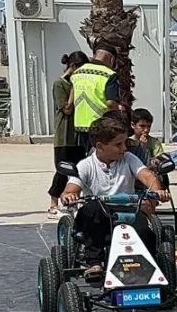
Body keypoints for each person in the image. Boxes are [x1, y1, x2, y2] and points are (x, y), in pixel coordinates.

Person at [60, 115, 170, 276]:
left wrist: (157, 189)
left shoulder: (128, 159)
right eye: (118, 144)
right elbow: (72, 187)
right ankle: (95, 263)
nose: (124, 148)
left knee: (143, 228)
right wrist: (69, 195)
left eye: (125, 142)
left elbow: (146, 175)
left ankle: (146, 266)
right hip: (99, 217)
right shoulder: (86, 165)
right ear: (100, 146)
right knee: (92, 208)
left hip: (126, 213)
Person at [47, 51, 87, 217]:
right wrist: (75, 88)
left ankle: (72, 200)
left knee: (78, 169)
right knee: (62, 169)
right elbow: (67, 109)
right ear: (73, 67)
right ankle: (53, 203)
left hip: (79, 134)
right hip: (65, 135)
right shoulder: (59, 84)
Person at [71, 44, 123, 153]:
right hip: (100, 124)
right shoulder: (109, 74)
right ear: (112, 59)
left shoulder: (77, 72)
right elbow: (110, 103)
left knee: (88, 156)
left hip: (80, 123)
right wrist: (119, 111)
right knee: (100, 157)